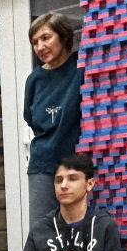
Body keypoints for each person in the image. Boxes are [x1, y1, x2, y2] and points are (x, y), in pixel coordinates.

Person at [23, 12, 84, 222]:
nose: (40, 47)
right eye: (35, 42)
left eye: (46, 38)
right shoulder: (34, 80)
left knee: (76, 226)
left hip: (76, 161)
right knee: (43, 229)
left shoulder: (81, 68)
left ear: (63, 37)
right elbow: (31, 118)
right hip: (42, 164)